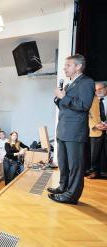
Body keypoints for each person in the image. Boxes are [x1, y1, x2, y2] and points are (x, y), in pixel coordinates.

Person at [48, 54, 95, 204]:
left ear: (78, 67)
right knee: (63, 163)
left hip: (75, 132)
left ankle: (71, 195)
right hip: (63, 130)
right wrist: (59, 99)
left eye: (68, 65)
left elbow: (84, 105)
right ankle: (63, 187)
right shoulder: (69, 85)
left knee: (75, 165)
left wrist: (63, 97)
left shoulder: (87, 82)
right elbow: (65, 106)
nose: (64, 68)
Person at [87, 81, 107, 179]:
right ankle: (95, 172)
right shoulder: (91, 100)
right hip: (95, 130)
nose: (97, 91)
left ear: (106, 88)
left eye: (100, 89)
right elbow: (88, 115)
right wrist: (95, 125)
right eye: (95, 90)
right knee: (94, 153)